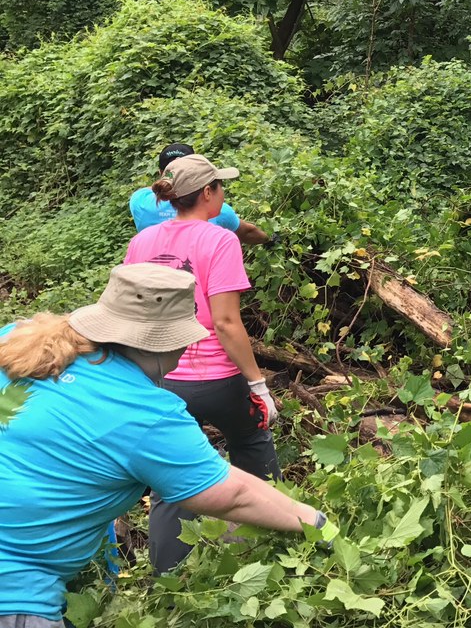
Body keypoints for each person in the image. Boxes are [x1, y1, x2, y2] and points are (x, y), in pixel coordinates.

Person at [0, 264, 326, 627]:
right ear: (164, 342)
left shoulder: (19, 339)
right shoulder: (141, 412)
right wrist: (316, 523)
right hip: (14, 587)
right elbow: (230, 494)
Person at [123, 153, 282, 572]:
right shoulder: (220, 239)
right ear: (208, 193)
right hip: (215, 377)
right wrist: (258, 386)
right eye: (220, 186)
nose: (224, 193)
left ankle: (169, 581)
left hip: (160, 378)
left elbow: (132, 314)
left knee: (170, 481)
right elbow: (228, 323)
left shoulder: (141, 242)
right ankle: (271, 544)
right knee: (251, 439)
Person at [130, 142, 269, 246]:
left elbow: (151, 189)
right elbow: (248, 233)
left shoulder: (139, 202)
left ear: (161, 174)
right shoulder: (220, 215)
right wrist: (269, 240)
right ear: (207, 191)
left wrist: (169, 182)